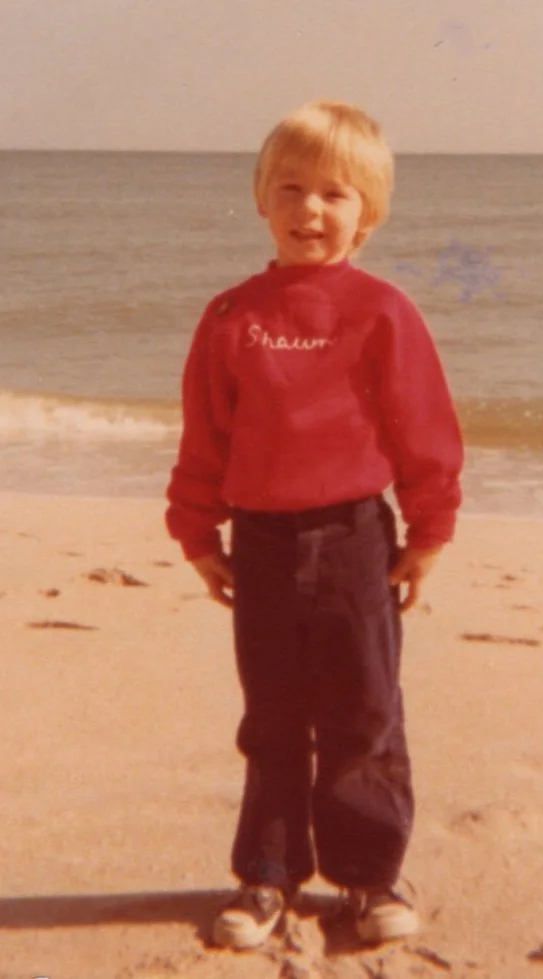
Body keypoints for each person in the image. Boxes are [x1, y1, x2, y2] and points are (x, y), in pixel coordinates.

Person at [165, 100, 464, 951]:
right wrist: (197, 536)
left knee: (364, 712)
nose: (311, 210)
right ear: (262, 200)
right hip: (259, 543)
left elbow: (425, 431)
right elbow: (205, 436)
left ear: (367, 213)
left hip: (357, 541)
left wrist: (429, 532)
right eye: (291, 189)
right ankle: (267, 873)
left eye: (336, 193)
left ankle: (369, 875)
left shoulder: (384, 311)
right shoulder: (232, 316)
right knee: (272, 716)